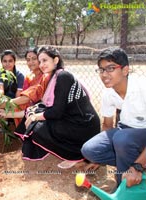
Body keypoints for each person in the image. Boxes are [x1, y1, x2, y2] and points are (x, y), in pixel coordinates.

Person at [14, 46, 100, 168]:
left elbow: (57, 112)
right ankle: (69, 151)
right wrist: (33, 114)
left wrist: (35, 117)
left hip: (83, 125)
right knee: (35, 112)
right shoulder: (52, 77)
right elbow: (48, 106)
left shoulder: (63, 76)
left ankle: (74, 155)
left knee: (38, 128)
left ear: (55, 60)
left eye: (45, 60)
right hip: (71, 120)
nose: (41, 64)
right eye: (40, 62)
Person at [81, 47, 146, 187]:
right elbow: (107, 126)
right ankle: (130, 163)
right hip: (126, 133)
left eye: (110, 68)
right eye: (101, 69)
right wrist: (98, 158)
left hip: (141, 133)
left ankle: (127, 185)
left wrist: (138, 166)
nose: (104, 74)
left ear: (125, 70)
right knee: (89, 150)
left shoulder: (142, 88)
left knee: (122, 139)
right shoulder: (108, 93)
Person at [0, 47, 49, 126]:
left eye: (34, 59)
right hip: (28, 107)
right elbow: (22, 97)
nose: (31, 62)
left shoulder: (45, 76)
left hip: (42, 109)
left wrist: (3, 105)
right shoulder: (29, 77)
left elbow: (26, 98)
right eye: (28, 60)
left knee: (19, 105)